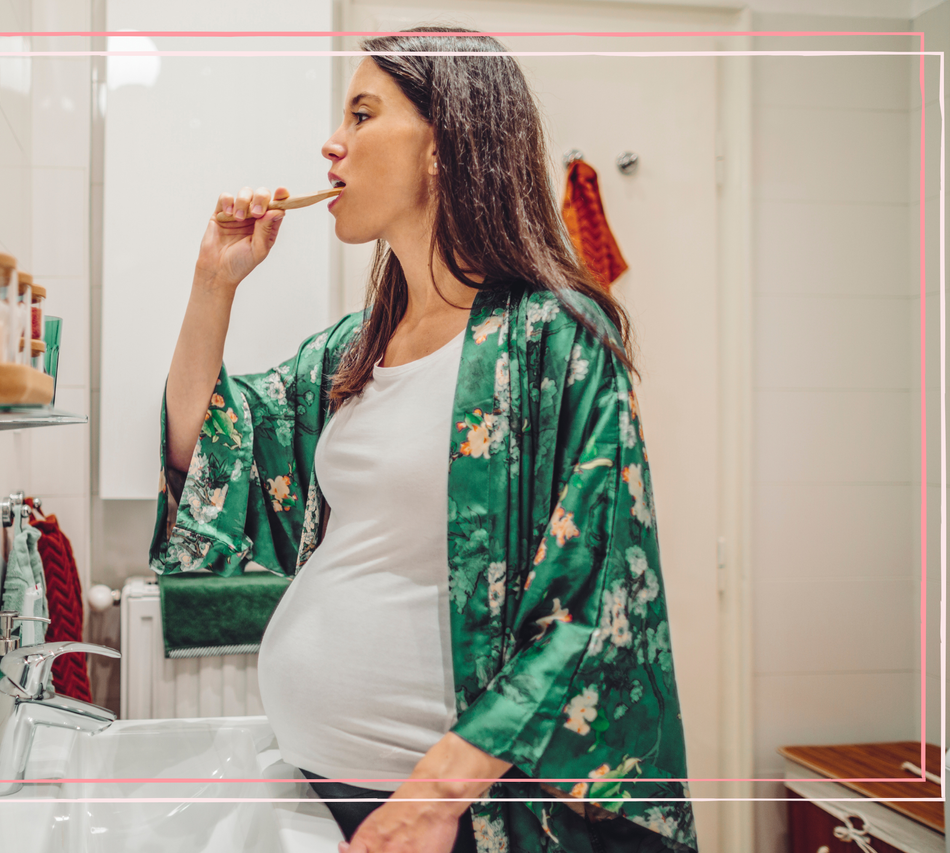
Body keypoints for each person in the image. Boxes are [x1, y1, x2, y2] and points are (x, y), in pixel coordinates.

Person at [149, 26, 698, 853]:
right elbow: (209, 459)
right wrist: (211, 284)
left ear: (445, 144)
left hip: (449, 817)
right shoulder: (351, 350)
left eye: (363, 115)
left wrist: (436, 796)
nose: (332, 145)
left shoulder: (555, 340)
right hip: (322, 782)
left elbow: (599, 602)